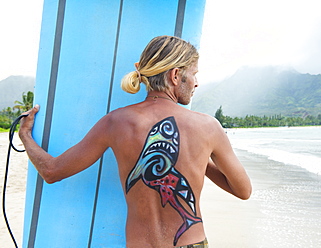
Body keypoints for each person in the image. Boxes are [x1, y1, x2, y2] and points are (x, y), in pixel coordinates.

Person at [19, 35, 252, 248]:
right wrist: (199, 157)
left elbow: (51, 171)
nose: (196, 83)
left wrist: (26, 136)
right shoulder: (207, 127)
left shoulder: (115, 122)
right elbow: (243, 190)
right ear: (175, 75)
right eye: (194, 74)